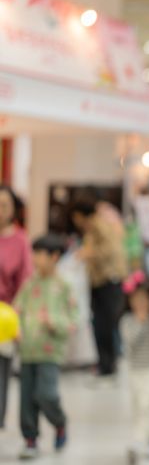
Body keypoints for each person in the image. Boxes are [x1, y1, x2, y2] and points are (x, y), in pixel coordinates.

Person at [13, 234, 79, 459]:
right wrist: (16, 329)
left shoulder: (64, 286)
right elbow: (17, 311)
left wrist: (56, 324)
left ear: (54, 257)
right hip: (27, 351)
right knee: (26, 398)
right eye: (34, 254)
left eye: (40, 254)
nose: (35, 259)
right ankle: (30, 439)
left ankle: (59, 422)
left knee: (46, 394)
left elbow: (74, 319)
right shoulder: (29, 284)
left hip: (50, 352)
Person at [70, 200, 127, 382]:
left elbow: (111, 249)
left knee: (105, 324)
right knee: (100, 324)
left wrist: (88, 253)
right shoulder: (94, 226)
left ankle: (108, 365)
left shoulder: (98, 224)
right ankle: (105, 363)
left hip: (108, 280)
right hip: (100, 281)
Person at [119, 271, 149, 463]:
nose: (140, 304)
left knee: (148, 403)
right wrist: (140, 322)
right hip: (136, 371)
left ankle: (137, 442)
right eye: (136, 299)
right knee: (140, 407)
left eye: (145, 299)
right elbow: (129, 342)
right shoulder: (127, 321)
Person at [0, 184, 33, 429]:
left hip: (6, 316)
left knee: (1, 373)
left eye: (4, 206)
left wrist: (19, 318)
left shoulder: (20, 241)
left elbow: (25, 282)